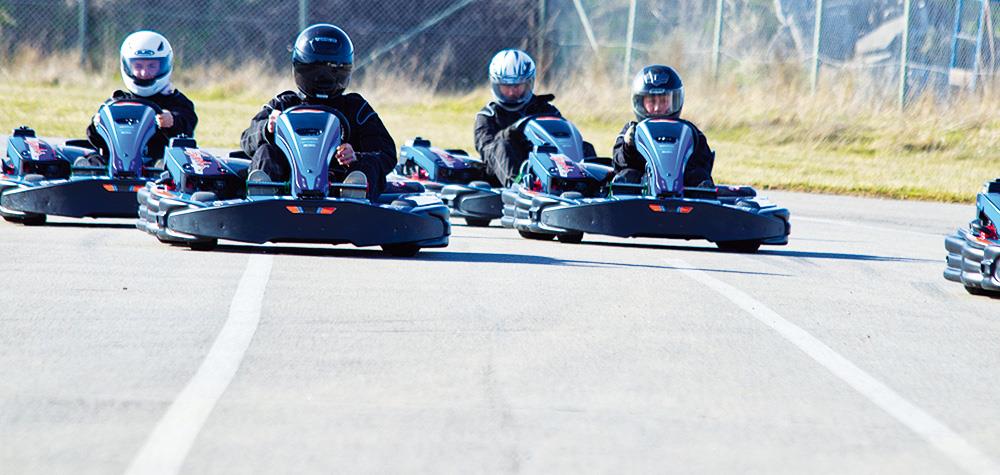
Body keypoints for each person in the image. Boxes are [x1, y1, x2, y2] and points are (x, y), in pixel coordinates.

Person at [240, 24, 394, 200]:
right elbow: (246, 140)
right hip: (285, 185)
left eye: (332, 70)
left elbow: (386, 154)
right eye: (315, 70)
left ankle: (355, 194)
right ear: (301, 68)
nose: (323, 78)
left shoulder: (356, 108)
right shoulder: (283, 105)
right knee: (266, 151)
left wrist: (356, 157)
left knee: (369, 164)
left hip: (339, 184)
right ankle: (263, 195)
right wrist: (268, 128)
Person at [80, 30, 197, 166]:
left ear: (164, 65)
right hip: (118, 163)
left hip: (158, 165)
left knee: (173, 163)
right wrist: (97, 124)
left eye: (151, 66)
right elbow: (97, 141)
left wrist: (173, 121)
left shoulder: (176, 101)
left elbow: (187, 128)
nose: (144, 73)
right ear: (127, 66)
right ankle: (90, 171)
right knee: (91, 158)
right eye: (138, 66)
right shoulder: (116, 102)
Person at [612, 65, 714, 187]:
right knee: (626, 177)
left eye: (663, 101)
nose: (657, 108)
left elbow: (704, 163)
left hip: (682, 187)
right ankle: (622, 203)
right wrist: (628, 147)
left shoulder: (688, 131)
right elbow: (618, 163)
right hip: (642, 188)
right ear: (640, 102)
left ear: (674, 100)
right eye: (652, 101)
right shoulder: (632, 130)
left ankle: (705, 201)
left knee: (699, 177)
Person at [473, 49, 563, 186]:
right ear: (496, 85)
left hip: (545, 166)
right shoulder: (487, 116)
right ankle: (518, 187)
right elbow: (487, 151)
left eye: (517, 86)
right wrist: (511, 133)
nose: (511, 92)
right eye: (505, 86)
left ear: (528, 84)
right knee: (500, 146)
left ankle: (594, 187)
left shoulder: (545, 110)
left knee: (584, 146)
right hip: (505, 178)